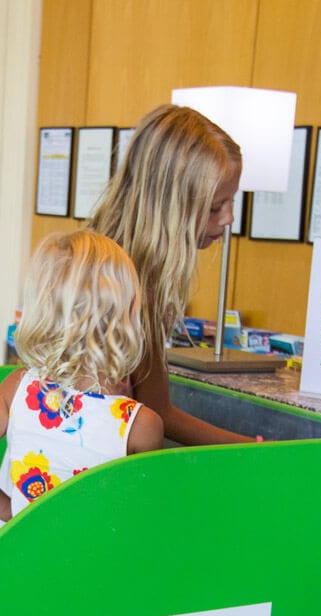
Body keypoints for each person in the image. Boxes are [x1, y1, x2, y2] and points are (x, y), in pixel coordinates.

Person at [0, 230, 164, 523]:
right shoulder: (141, 424)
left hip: (21, 557)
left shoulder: (19, 388)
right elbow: (139, 515)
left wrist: (15, 516)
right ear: (128, 316)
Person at [89, 103, 256, 446]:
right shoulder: (129, 286)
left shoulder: (101, 259)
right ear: (169, 205)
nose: (228, 218)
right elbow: (157, 411)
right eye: (214, 207)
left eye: (231, 202)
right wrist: (253, 449)